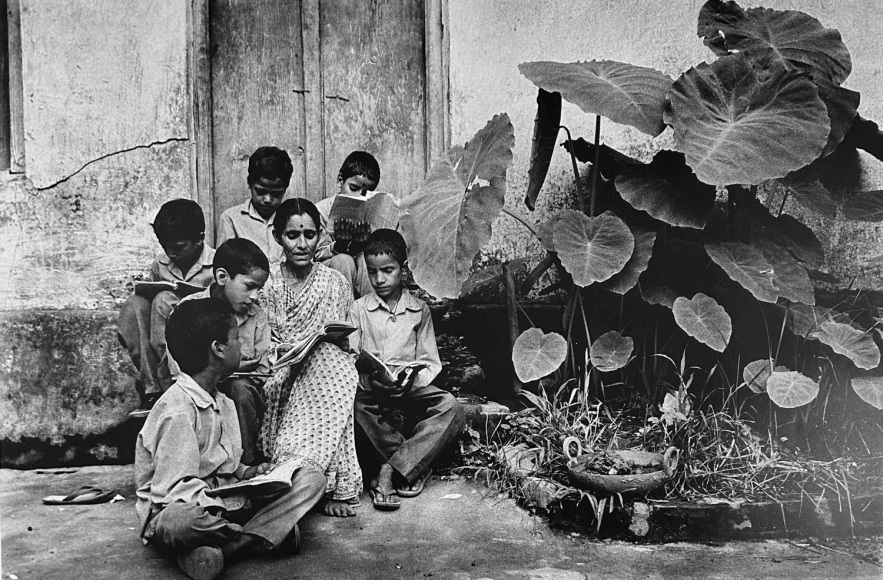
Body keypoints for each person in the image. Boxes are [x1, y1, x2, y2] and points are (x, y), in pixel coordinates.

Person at [135, 298, 326, 580]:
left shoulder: (223, 401)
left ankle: (223, 548)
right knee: (179, 523)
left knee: (311, 478)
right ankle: (253, 537)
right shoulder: (177, 411)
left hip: (224, 499)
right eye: (236, 337)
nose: (242, 346)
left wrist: (251, 473)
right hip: (185, 505)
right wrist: (228, 505)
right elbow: (173, 491)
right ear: (218, 349)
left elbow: (228, 465)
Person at [259, 198, 363, 518]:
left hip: (327, 369)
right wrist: (291, 354)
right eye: (292, 235)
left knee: (333, 363)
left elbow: (348, 342)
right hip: (280, 371)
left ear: (320, 235)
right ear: (278, 237)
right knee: (329, 371)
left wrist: (329, 344)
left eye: (310, 234)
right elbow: (260, 343)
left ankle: (325, 481)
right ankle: (301, 473)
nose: (302, 244)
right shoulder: (266, 283)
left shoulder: (335, 281)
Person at [349, 229, 465, 510]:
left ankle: (388, 468)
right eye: (372, 271)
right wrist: (371, 380)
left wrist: (412, 380)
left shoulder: (419, 309)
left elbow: (430, 361)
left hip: (410, 390)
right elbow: (351, 357)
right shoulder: (358, 309)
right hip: (373, 390)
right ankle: (409, 465)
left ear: (403, 269)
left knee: (451, 407)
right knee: (354, 407)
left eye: (387, 271)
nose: (379, 279)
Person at [176, 238, 271, 465]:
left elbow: (263, 370)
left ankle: (245, 464)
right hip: (198, 388)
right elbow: (178, 368)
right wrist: (230, 368)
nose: (254, 296)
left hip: (242, 393)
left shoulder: (257, 314)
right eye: (249, 286)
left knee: (240, 389)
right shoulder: (190, 308)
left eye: (259, 289)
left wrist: (234, 372)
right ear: (221, 277)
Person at [118, 199, 215, 415]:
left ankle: (176, 385)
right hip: (161, 334)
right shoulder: (160, 264)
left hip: (199, 340)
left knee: (164, 300)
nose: (171, 254)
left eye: (178, 248)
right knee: (135, 305)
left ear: (200, 238)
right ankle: (153, 390)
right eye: (165, 247)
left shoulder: (216, 264)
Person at [314, 151, 381, 298]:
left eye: (366, 193)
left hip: (358, 270)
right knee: (344, 260)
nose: (358, 196)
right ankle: (344, 310)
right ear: (340, 181)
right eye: (354, 188)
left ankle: (371, 308)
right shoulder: (320, 211)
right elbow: (315, 255)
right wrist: (338, 246)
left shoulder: (369, 213)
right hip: (328, 273)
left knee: (367, 260)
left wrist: (361, 244)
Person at [217, 146, 294, 264]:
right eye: (261, 192)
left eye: (276, 194)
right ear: (249, 183)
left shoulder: (293, 219)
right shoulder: (231, 219)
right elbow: (224, 264)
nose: (268, 199)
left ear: (285, 189)